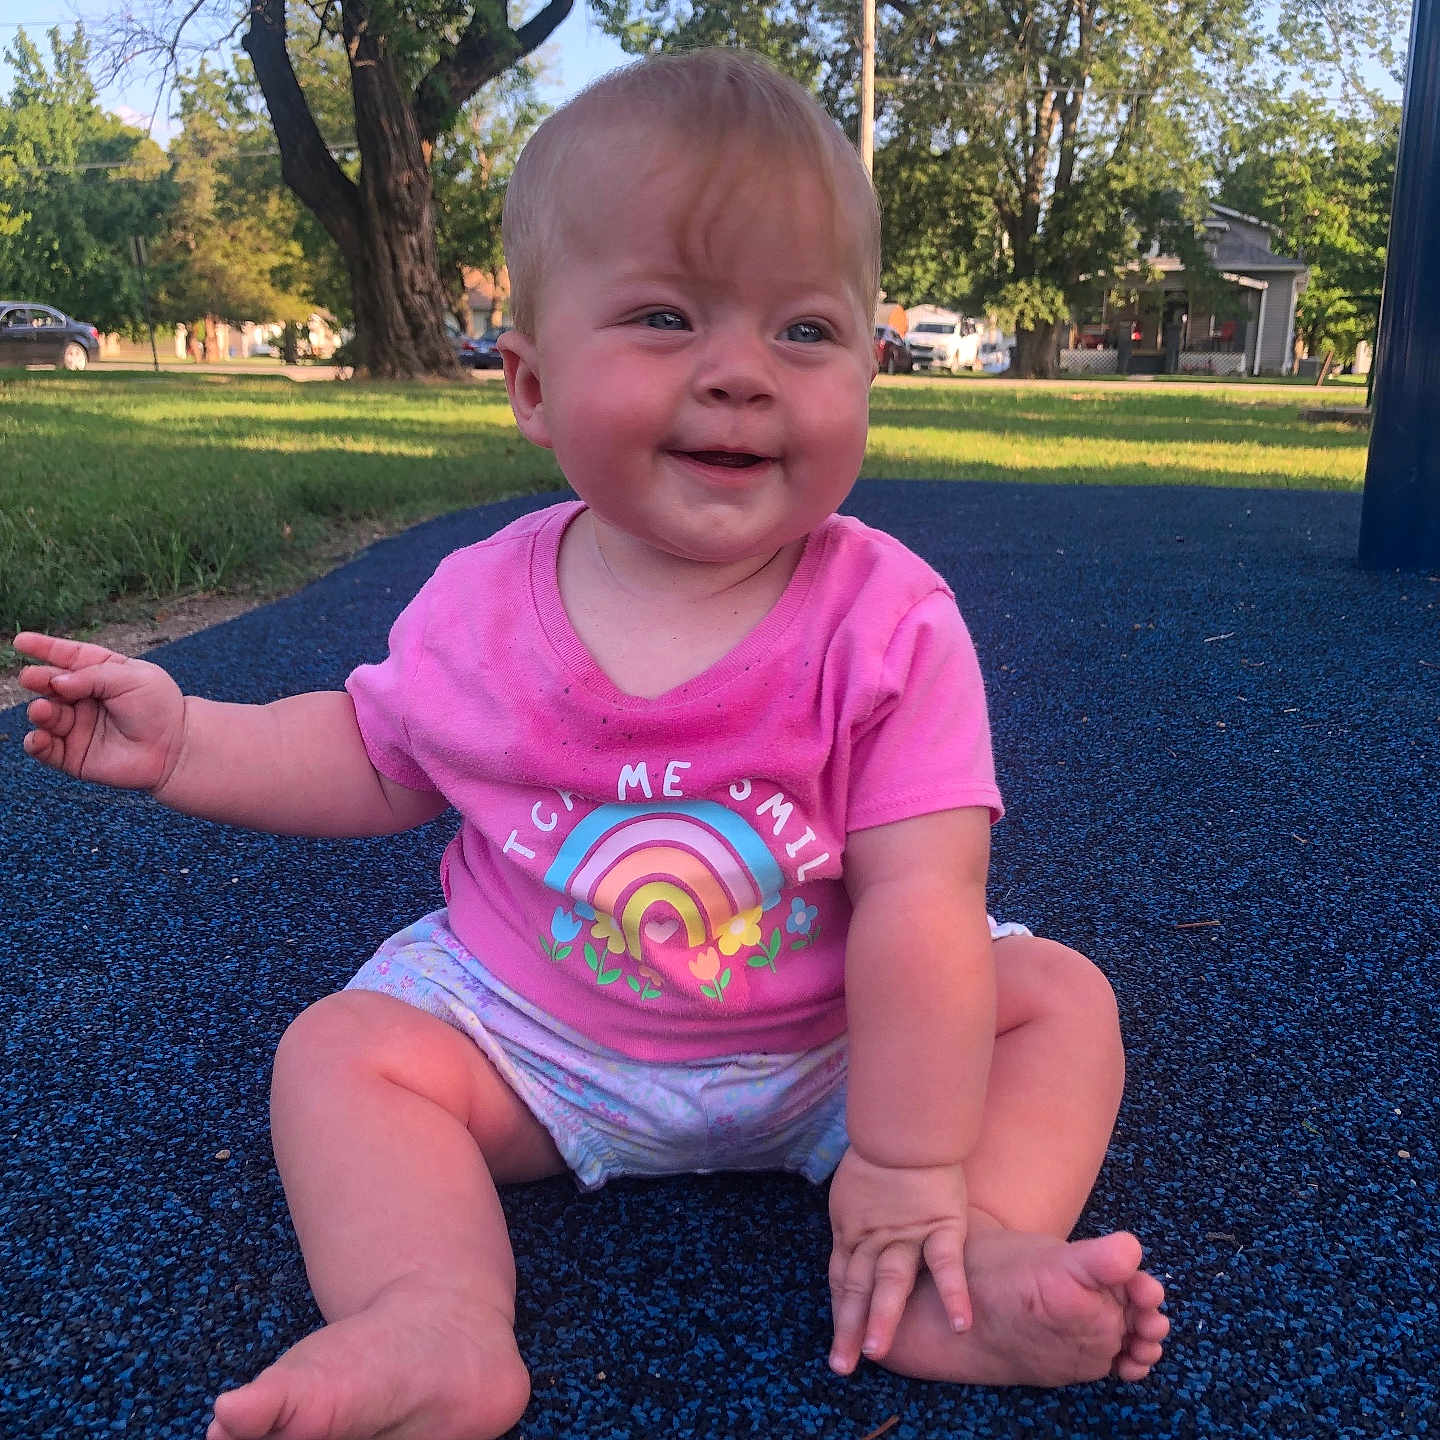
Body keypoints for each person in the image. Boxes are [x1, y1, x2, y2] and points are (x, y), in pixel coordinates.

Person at [13, 48, 1168, 1440]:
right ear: (531, 383)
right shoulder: (484, 605)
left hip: (837, 1048)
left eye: (804, 332)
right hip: (540, 1041)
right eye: (667, 318)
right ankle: (428, 1312)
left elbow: (927, 900)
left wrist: (915, 1162)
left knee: (1056, 1002)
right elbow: (377, 758)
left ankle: (949, 1261)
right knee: (340, 1057)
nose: (741, 375)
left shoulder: (893, 623)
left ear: (872, 367)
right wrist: (189, 740)